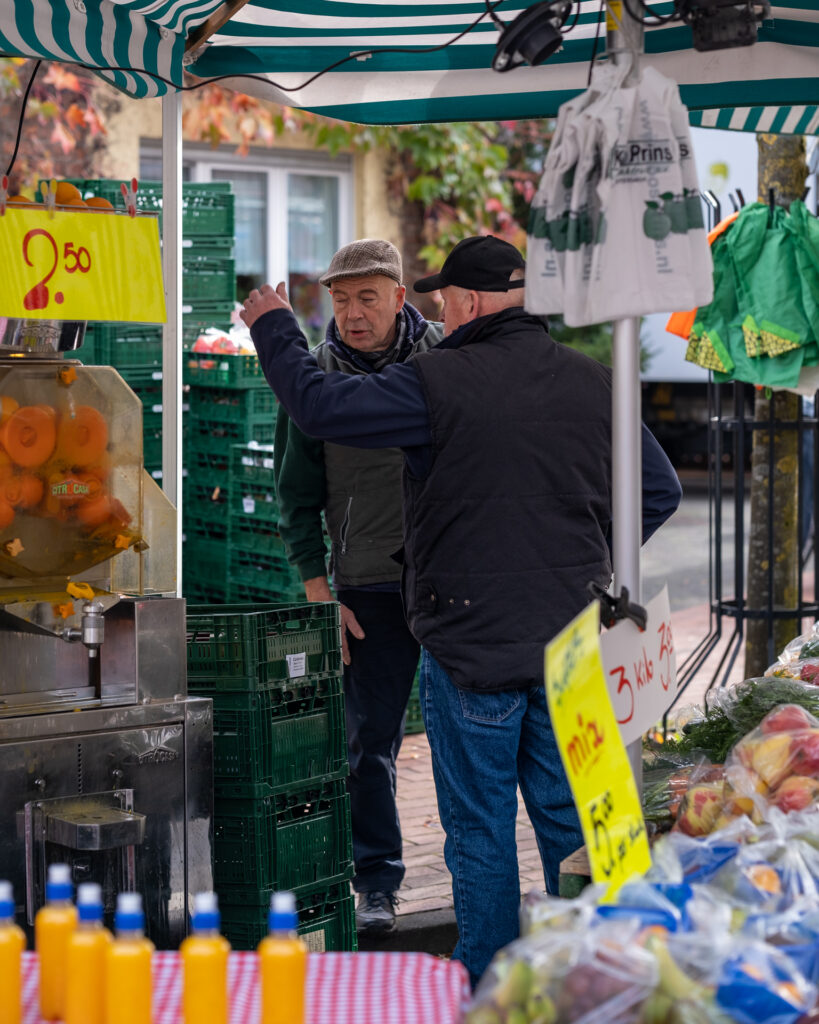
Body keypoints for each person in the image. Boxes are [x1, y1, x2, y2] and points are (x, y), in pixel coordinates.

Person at [241, 235, 682, 985]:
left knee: (478, 831)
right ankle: (602, 981)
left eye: (443, 294)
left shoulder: (433, 383)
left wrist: (275, 325)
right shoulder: (593, 382)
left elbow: (316, 406)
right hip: (570, 645)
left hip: (468, 643)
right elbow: (659, 491)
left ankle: (490, 983)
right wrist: (577, 560)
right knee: (570, 821)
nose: (437, 305)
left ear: (470, 302)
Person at [272, 239, 444, 936]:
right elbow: (295, 491)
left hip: (448, 581)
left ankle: (479, 867)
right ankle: (376, 882)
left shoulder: (444, 365)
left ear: (399, 296)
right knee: (365, 743)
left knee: (469, 730)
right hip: (365, 588)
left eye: (366, 296)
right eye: (340, 299)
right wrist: (318, 588)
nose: (351, 313)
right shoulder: (313, 377)